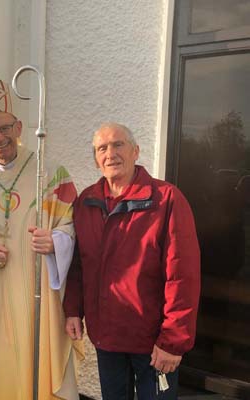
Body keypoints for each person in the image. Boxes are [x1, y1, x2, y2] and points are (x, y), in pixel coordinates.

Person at [0, 76, 80, 400]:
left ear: (19, 127)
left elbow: (72, 224)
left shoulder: (51, 173)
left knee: (34, 359)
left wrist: (56, 241)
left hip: (37, 290)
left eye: (5, 128)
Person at [63, 123, 201, 399]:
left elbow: (182, 276)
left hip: (154, 342)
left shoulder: (166, 199)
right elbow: (78, 264)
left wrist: (173, 341)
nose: (110, 154)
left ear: (136, 151)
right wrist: (73, 310)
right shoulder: (86, 202)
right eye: (102, 148)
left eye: (118, 145)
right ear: (96, 160)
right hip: (107, 338)